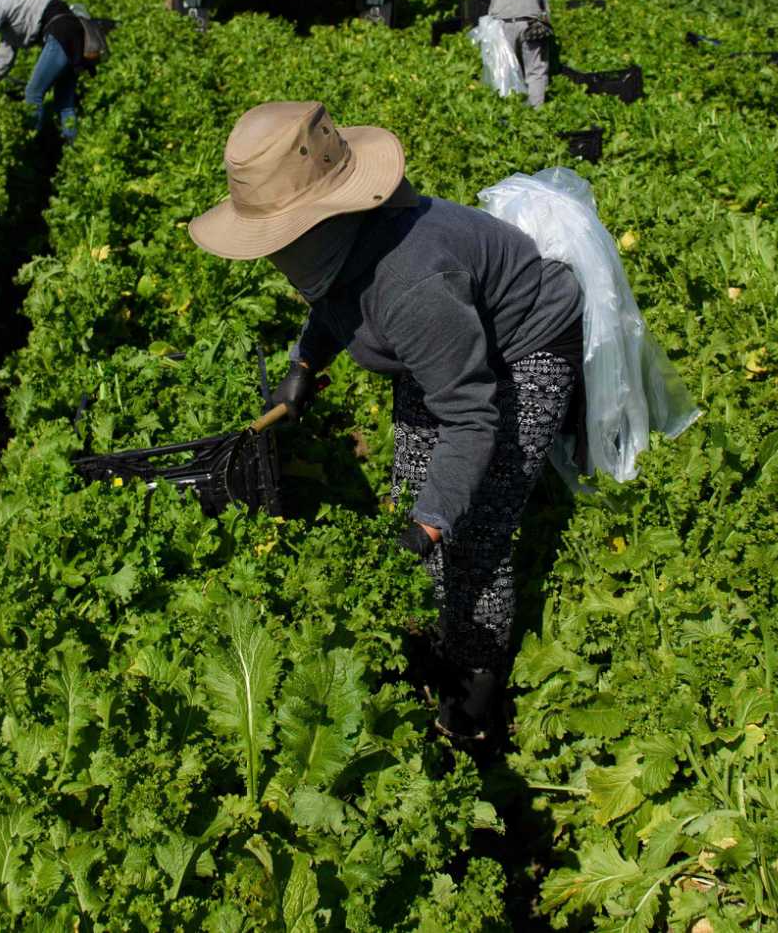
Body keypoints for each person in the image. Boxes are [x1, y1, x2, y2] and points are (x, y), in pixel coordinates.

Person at [189, 101, 586, 743]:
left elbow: (472, 417)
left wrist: (430, 526)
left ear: (325, 218)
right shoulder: (350, 248)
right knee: (415, 484)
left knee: (475, 526)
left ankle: (476, 693)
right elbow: (338, 298)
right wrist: (305, 361)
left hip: (525, 347)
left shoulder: (411, 286)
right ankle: (430, 626)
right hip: (447, 341)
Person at [0, 0, 109, 139]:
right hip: (71, 32)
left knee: (33, 92)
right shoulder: (7, 15)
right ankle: (74, 146)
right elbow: (4, 60)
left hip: (61, 31)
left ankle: (34, 141)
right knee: (64, 102)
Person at [489, 0, 555, 106]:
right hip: (529, 25)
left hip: (501, 26)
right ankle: (535, 109)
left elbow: (490, 12)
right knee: (536, 70)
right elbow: (546, 15)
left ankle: (507, 106)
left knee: (506, 67)